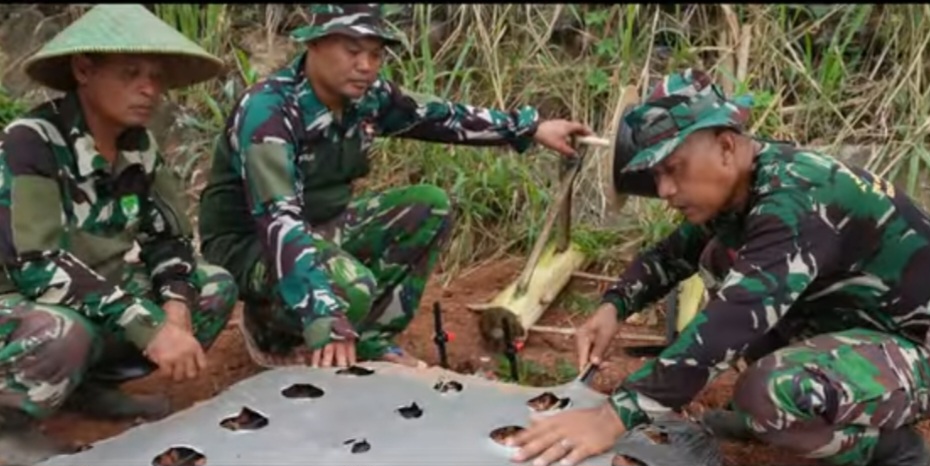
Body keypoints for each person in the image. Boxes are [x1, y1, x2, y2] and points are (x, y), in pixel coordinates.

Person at [507, 68, 930, 466]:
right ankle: (775, 415)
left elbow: (732, 320)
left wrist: (613, 417)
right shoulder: (747, 185)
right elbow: (670, 255)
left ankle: (892, 449)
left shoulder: (798, 199)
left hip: (915, 347)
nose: (665, 190)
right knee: (715, 256)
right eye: (656, 176)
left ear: (726, 147)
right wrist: (614, 306)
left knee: (770, 393)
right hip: (860, 325)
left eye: (673, 169)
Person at [197, 3, 593, 369]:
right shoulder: (269, 111)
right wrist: (323, 312)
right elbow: (279, 222)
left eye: (375, 53)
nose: (366, 65)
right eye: (353, 51)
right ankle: (273, 333)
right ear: (314, 43)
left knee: (428, 206)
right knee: (350, 286)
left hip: (321, 225)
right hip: (250, 246)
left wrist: (532, 128)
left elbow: (439, 117)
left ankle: (370, 337)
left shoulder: (367, 98)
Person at [0, 4, 238, 463]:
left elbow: (167, 239)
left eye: (156, 75)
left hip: (97, 298)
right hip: (19, 305)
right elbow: (36, 264)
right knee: (62, 330)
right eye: (131, 73)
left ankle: (89, 390)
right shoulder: (31, 141)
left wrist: (174, 304)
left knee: (210, 289)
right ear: (84, 69)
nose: (149, 89)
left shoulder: (139, 147)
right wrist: (147, 327)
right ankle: (9, 422)